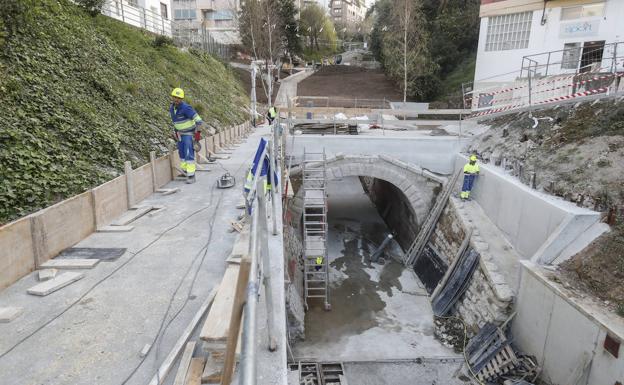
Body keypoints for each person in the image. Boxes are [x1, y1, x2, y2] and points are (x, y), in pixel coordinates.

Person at [169, 88, 203, 184]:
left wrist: (196, 138)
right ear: (172, 97)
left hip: (188, 135)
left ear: (182, 98)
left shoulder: (186, 108)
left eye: (179, 98)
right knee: (182, 154)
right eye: (175, 97)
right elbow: (176, 122)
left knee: (188, 154)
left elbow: (199, 121)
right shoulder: (172, 108)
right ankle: (185, 172)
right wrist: (175, 133)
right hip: (180, 135)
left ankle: (191, 175)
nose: (176, 99)